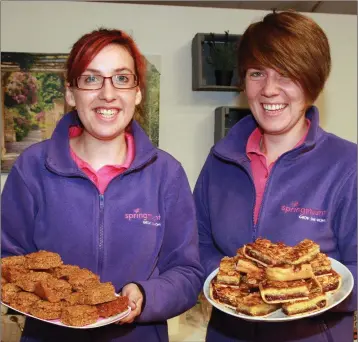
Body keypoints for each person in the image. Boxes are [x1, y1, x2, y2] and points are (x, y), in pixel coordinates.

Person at [1, 28, 204, 342]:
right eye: (91, 78)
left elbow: (188, 273)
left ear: (137, 93)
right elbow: (8, 260)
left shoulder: (167, 174)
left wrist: (145, 296)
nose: (108, 94)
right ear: (71, 92)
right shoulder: (32, 168)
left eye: (121, 78)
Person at [194, 10, 357, 342]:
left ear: (313, 81)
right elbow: (196, 245)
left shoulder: (348, 165)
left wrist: (291, 289)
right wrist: (241, 283)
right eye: (257, 73)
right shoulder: (220, 160)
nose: (269, 89)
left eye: (286, 74)